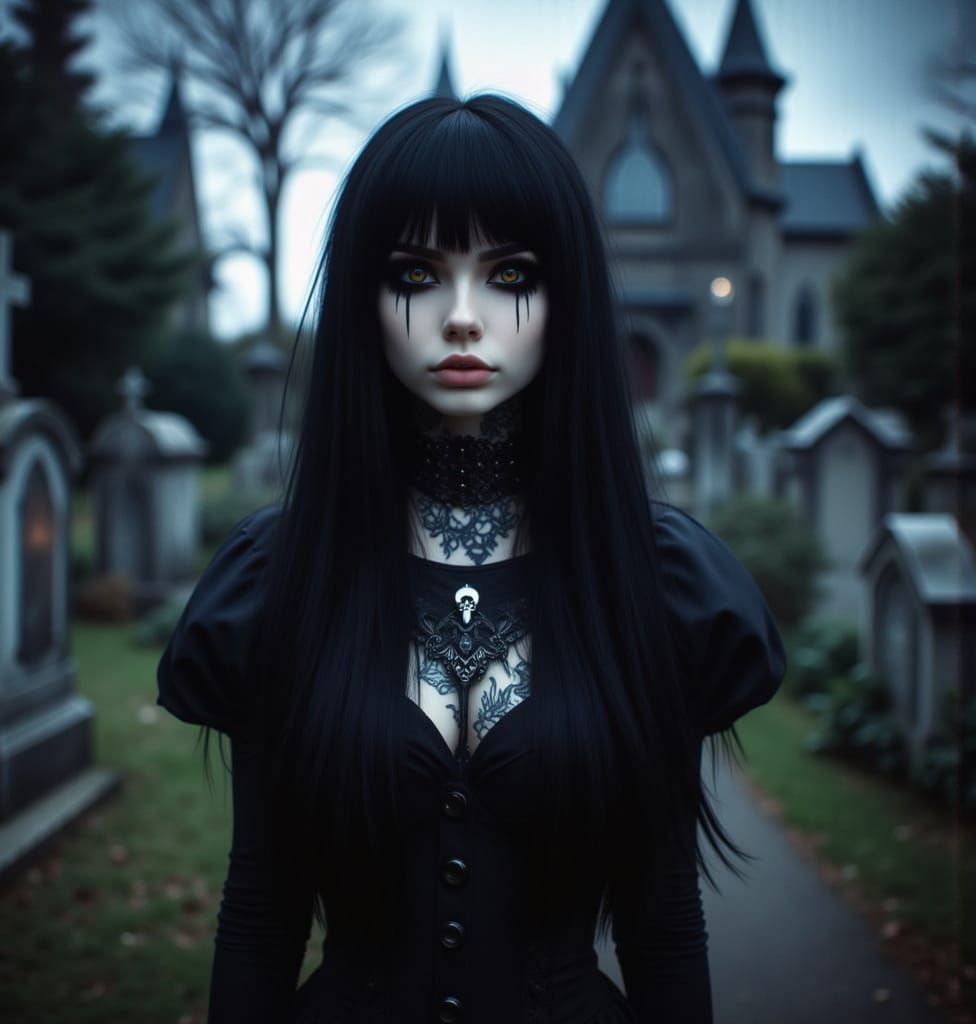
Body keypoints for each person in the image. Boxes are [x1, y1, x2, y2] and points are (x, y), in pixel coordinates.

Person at [156, 94, 787, 1024]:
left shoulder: (653, 582)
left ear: (565, 298)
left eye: (509, 273)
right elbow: (260, 915)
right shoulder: (284, 576)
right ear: (365, 300)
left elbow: (663, 925)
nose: (460, 317)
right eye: (416, 273)